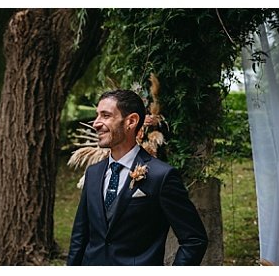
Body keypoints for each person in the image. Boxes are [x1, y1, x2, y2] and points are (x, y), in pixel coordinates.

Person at [67, 90, 208, 266]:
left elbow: (194, 240)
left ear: (131, 121)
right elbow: (79, 238)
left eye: (106, 115)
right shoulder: (93, 173)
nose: (96, 123)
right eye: (97, 116)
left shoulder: (161, 176)